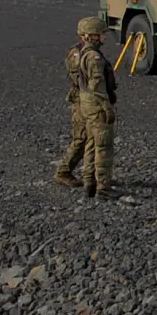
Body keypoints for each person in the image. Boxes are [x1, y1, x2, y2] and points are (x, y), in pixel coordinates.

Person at [62, 16, 120, 199]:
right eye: (101, 34)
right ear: (91, 36)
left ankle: (90, 182)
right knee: (102, 145)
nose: (104, 37)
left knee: (90, 143)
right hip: (95, 105)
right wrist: (107, 107)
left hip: (86, 103)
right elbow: (97, 85)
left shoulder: (81, 53)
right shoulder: (93, 57)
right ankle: (103, 187)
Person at [53, 22, 91, 188]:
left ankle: (95, 176)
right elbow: (81, 79)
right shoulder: (77, 54)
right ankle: (63, 172)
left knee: (95, 139)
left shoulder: (89, 52)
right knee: (81, 139)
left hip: (90, 100)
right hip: (81, 100)